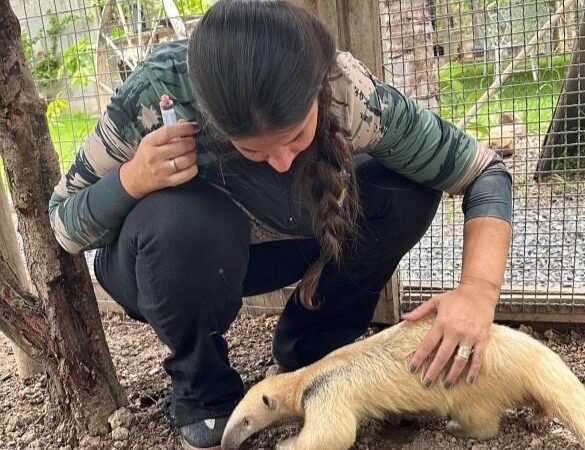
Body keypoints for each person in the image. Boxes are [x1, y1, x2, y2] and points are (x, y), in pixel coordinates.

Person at [48, 1, 512, 448]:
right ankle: (203, 389)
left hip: (289, 242)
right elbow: (64, 225)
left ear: (318, 91)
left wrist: (477, 292)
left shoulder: (349, 90)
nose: (282, 161)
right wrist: (132, 179)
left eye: (295, 138)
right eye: (253, 150)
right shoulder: (156, 93)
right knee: (179, 221)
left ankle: (314, 354)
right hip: (169, 260)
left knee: (407, 189)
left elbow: (482, 171)